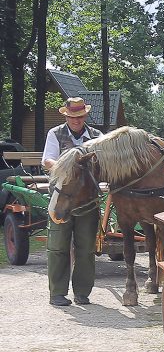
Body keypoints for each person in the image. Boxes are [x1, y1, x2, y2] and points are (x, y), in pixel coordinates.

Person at [41, 97, 103, 306]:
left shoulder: (97, 137)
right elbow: (47, 160)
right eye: (72, 117)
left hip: (87, 201)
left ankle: (82, 293)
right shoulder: (55, 133)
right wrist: (67, 165)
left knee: (86, 248)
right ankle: (57, 293)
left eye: (79, 116)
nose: (76, 120)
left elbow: (104, 162)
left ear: (85, 115)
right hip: (62, 198)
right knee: (58, 246)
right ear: (66, 116)